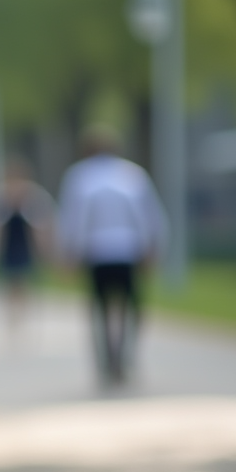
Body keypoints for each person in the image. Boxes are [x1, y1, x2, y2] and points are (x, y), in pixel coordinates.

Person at [55, 126, 167, 385]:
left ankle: (106, 360)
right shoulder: (133, 173)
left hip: (96, 251)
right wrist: (154, 247)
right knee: (130, 306)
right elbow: (151, 215)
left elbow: (72, 217)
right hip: (128, 249)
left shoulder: (79, 175)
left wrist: (68, 253)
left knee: (100, 308)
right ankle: (125, 355)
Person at [0, 157, 55, 325]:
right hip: (5, 246)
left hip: (25, 245)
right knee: (7, 282)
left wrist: (47, 250)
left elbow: (45, 225)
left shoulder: (35, 197)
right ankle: (10, 314)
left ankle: (21, 312)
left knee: (23, 281)